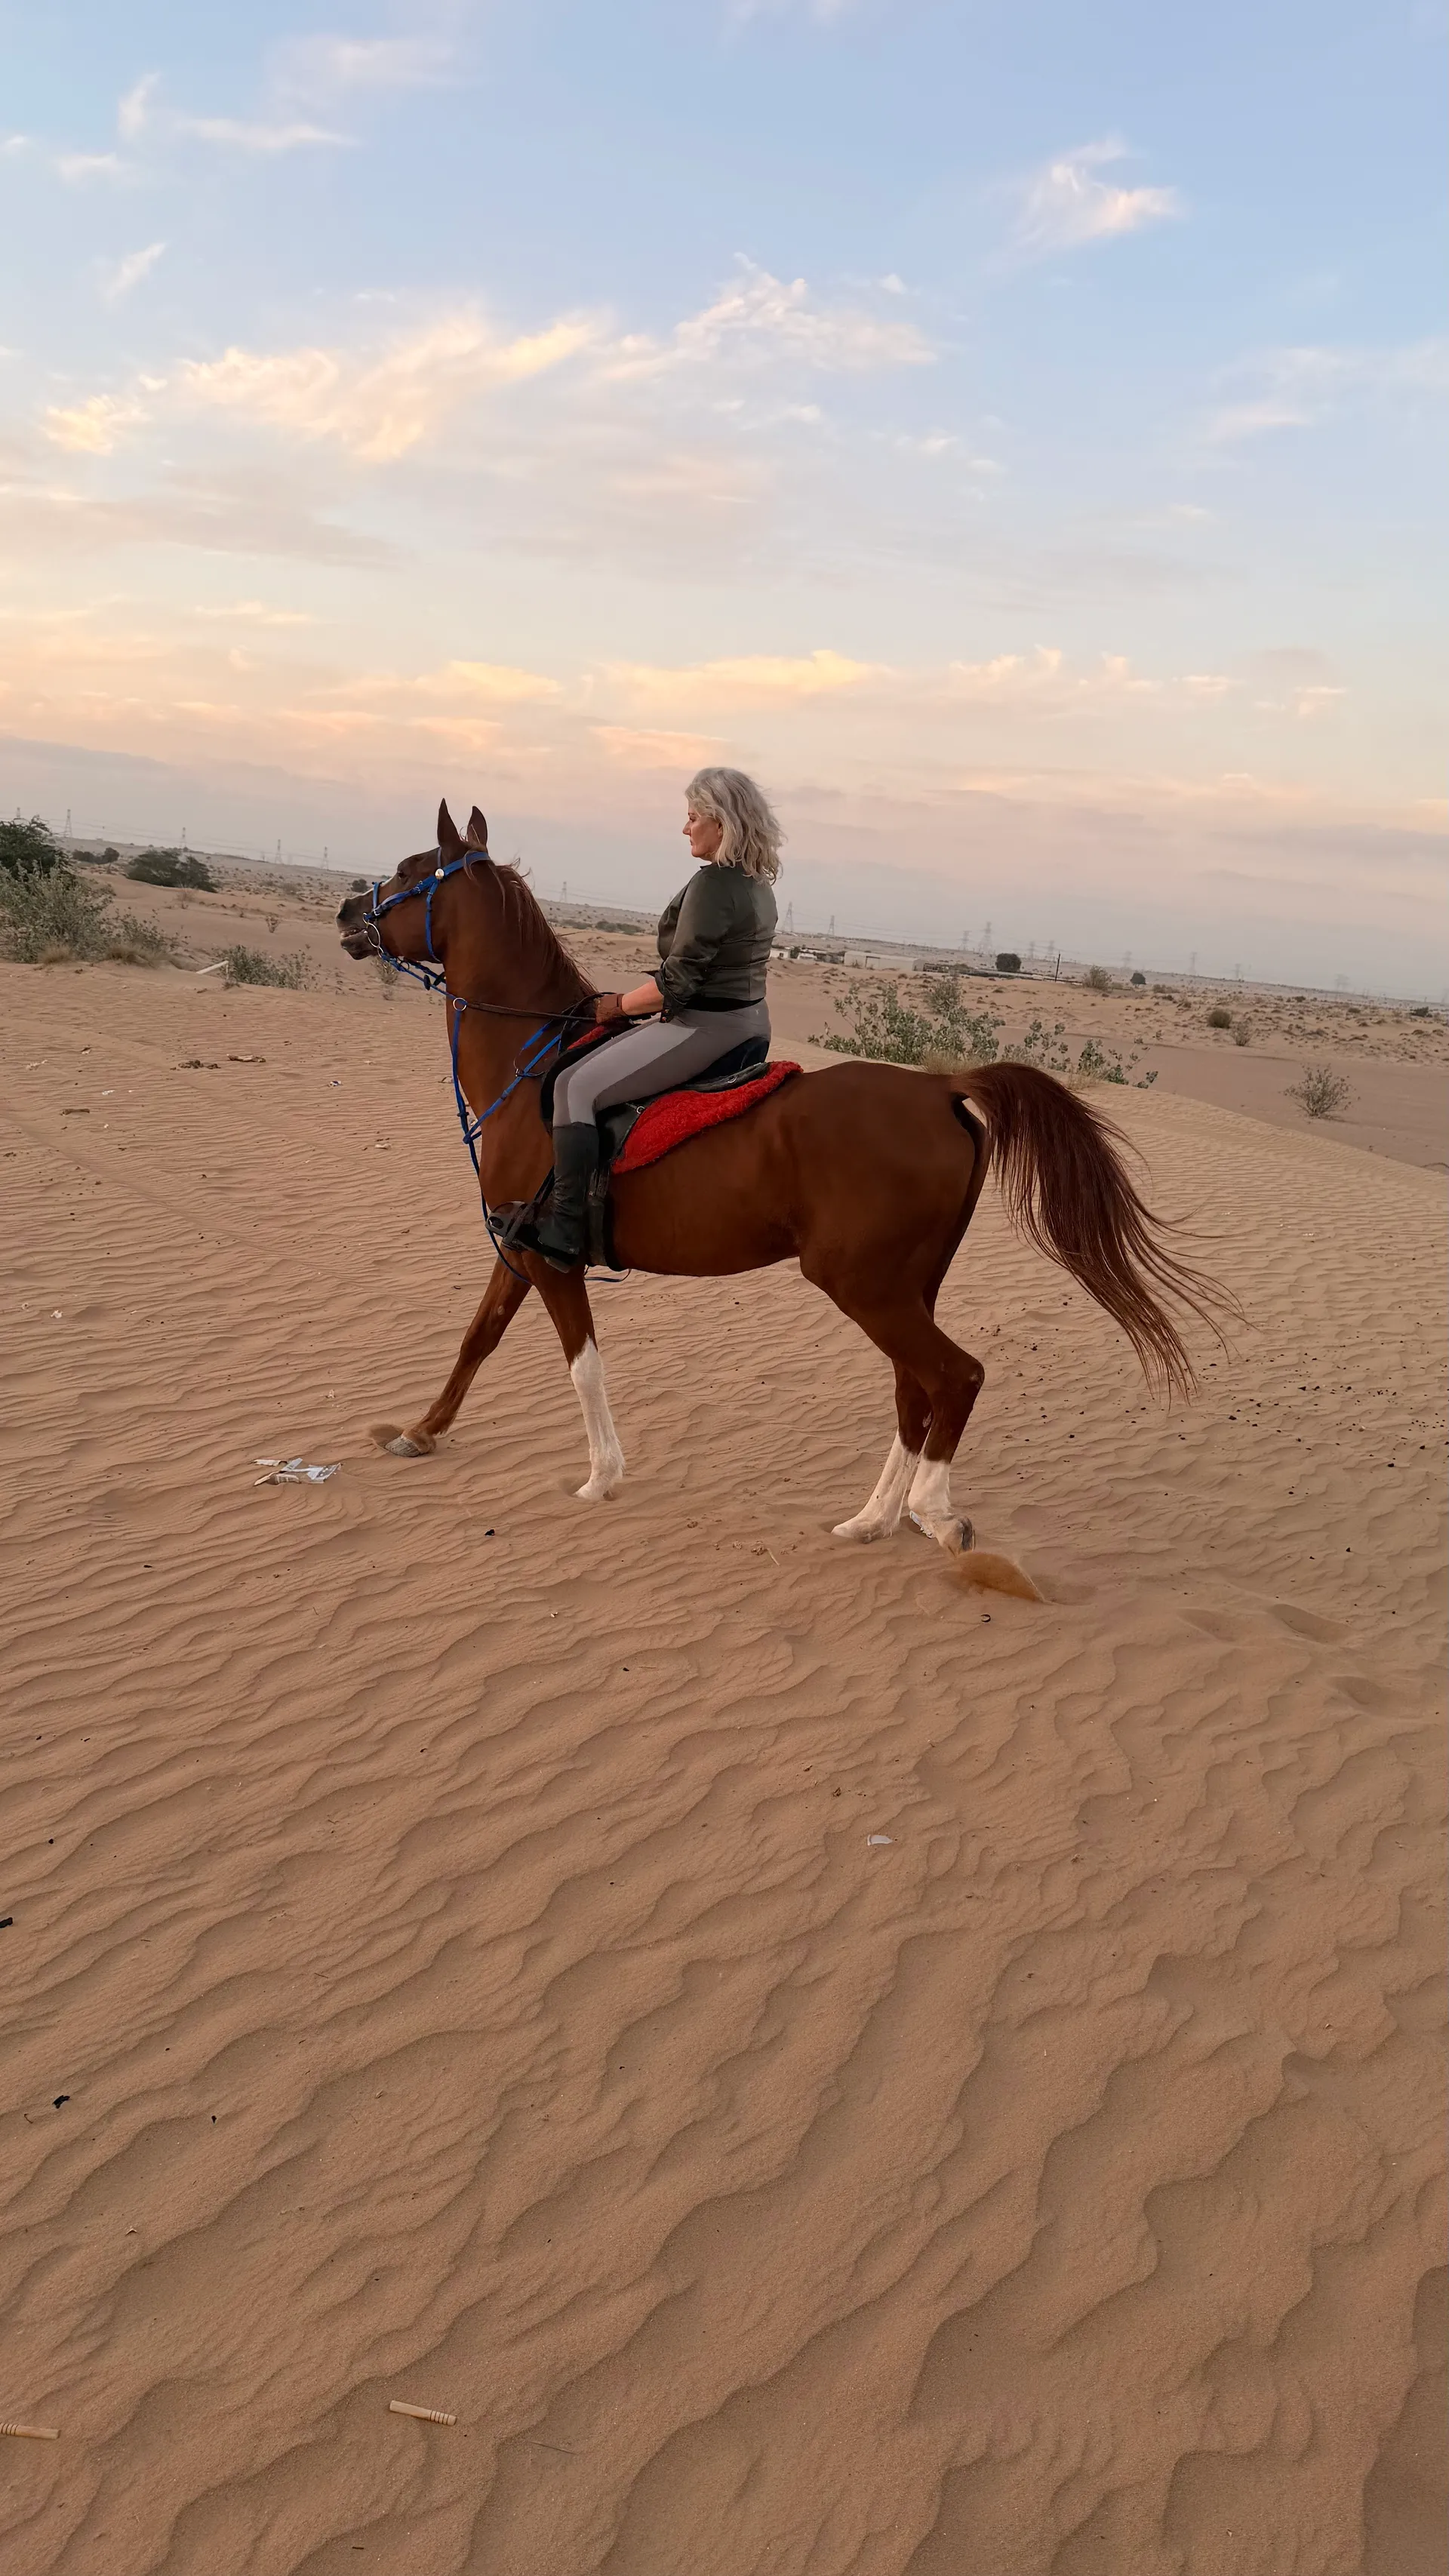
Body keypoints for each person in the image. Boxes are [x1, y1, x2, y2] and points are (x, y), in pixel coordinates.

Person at [529, 767, 781, 1269]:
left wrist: (617, 1005)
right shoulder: (759, 884)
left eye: (692, 818)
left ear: (720, 822)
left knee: (573, 1088)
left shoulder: (715, 884)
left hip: (706, 1028)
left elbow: (678, 986)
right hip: (750, 1021)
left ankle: (566, 1228)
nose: (685, 829)